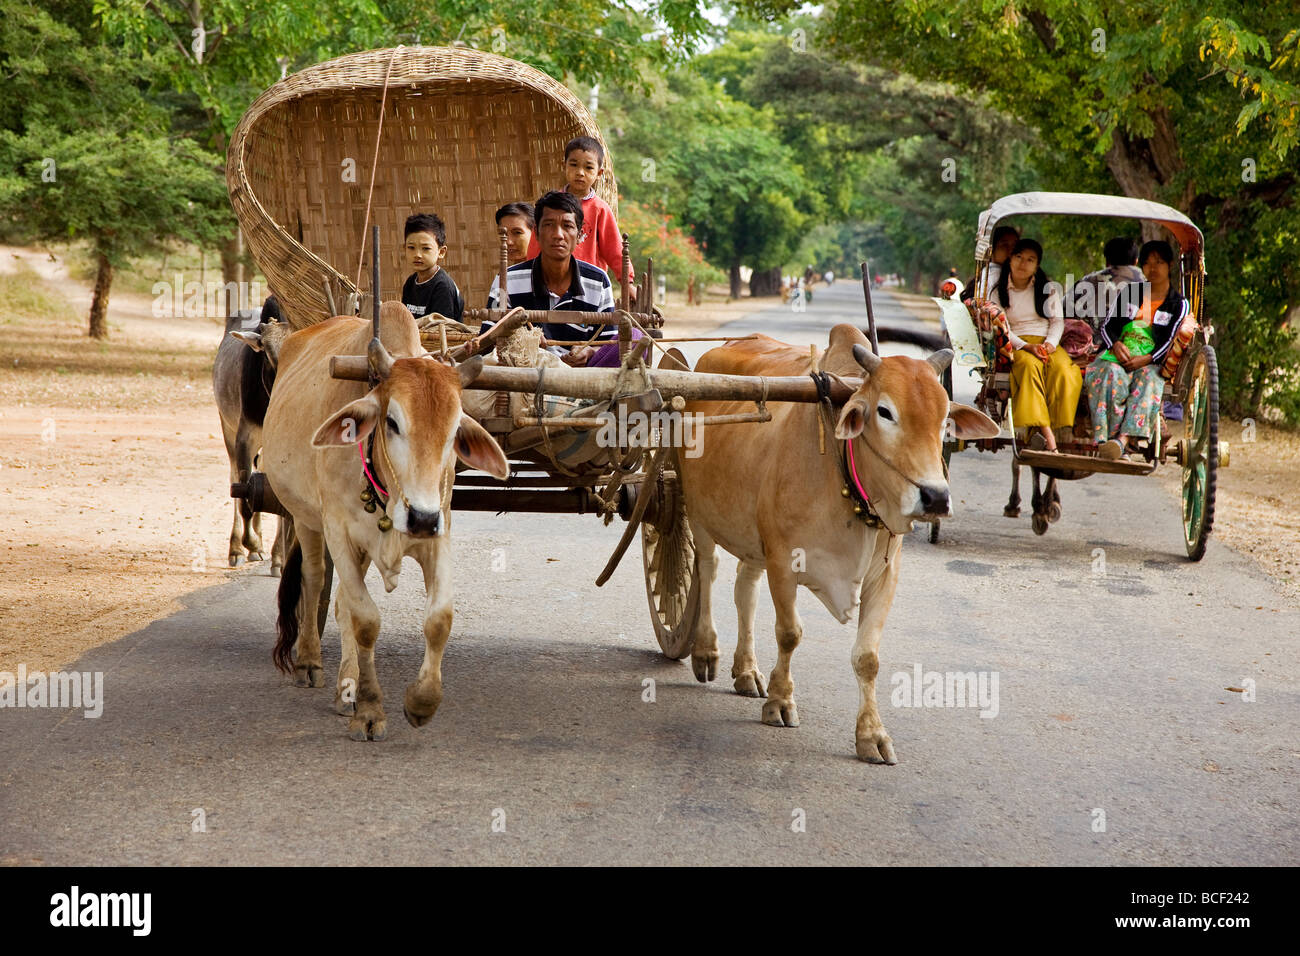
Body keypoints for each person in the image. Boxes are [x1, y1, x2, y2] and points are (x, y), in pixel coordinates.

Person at [482, 190, 634, 368]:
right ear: (536, 233)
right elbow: (486, 341)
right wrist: (520, 339)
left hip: (581, 382)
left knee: (636, 338)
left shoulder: (598, 282)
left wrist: (589, 351)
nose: (558, 235)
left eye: (567, 226)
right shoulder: (507, 280)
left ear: (579, 235)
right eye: (548, 225)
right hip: (525, 380)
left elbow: (608, 345)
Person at [1085, 240, 1188, 459]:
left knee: (1149, 381)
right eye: (1148, 263)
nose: (1153, 268)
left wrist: (1146, 359)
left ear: (1169, 265)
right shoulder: (1131, 293)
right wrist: (1116, 344)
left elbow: (1171, 340)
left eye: (1159, 262)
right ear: (1141, 266)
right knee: (1106, 373)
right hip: (1120, 354)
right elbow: (1108, 326)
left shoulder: (1178, 303)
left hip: (1151, 361)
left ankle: (1123, 441)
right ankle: (1106, 441)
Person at [993, 238, 1081, 452]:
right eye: (1019, 257)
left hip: (1046, 341)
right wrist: (1025, 346)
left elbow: (1057, 321)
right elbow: (1001, 325)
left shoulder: (1047, 288)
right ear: (1010, 260)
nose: (1023, 263)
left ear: (1037, 265)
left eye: (1030, 260)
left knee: (1064, 370)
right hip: (1017, 343)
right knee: (1029, 367)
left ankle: (1057, 425)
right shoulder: (998, 291)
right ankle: (1047, 433)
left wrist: (1050, 345)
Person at [525, 135, 635, 299]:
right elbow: (536, 242)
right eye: (574, 165)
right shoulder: (549, 205)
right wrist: (530, 276)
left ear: (599, 173)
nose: (580, 173)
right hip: (549, 284)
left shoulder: (600, 210)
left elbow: (615, 250)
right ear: (564, 166)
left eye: (588, 168)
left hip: (588, 287)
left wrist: (628, 283)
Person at [1072, 236, 1145, 345]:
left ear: (1107, 262)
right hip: (1138, 348)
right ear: (1136, 261)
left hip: (1094, 348)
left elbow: (1063, 313)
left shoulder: (1086, 282)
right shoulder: (1152, 285)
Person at [400, 212, 464, 323]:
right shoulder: (410, 283)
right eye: (411, 247)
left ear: (441, 252)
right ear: (404, 248)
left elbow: (442, 329)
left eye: (425, 248)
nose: (417, 254)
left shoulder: (442, 286)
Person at [964, 225, 1019, 301]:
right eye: (1004, 245)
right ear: (991, 250)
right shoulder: (993, 277)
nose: (1011, 250)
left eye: (1015, 245)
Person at [495, 201, 535, 266]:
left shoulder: (550, 273)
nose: (508, 242)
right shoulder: (507, 275)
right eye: (503, 234)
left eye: (517, 232)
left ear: (535, 233)